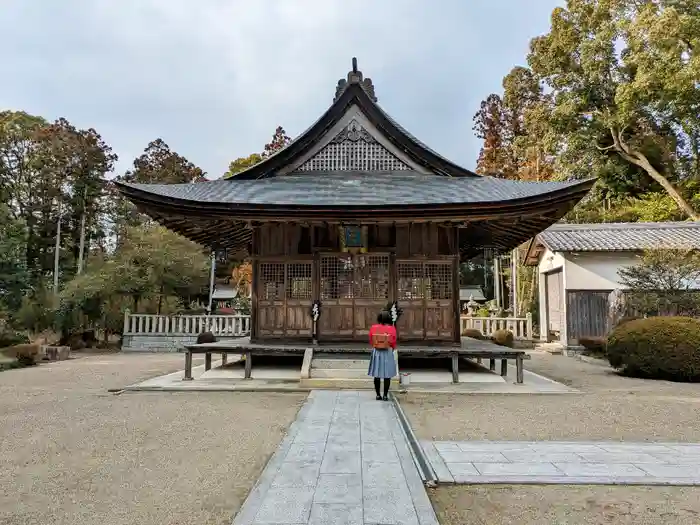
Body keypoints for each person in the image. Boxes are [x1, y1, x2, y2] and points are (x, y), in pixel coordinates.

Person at [367, 310, 397, 401]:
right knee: (387, 375)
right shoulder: (392, 328)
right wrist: (392, 347)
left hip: (377, 351)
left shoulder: (373, 327)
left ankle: (377, 395)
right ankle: (385, 395)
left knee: (377, 374)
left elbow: (371, 340)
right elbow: (393, 341)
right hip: (387, 351)